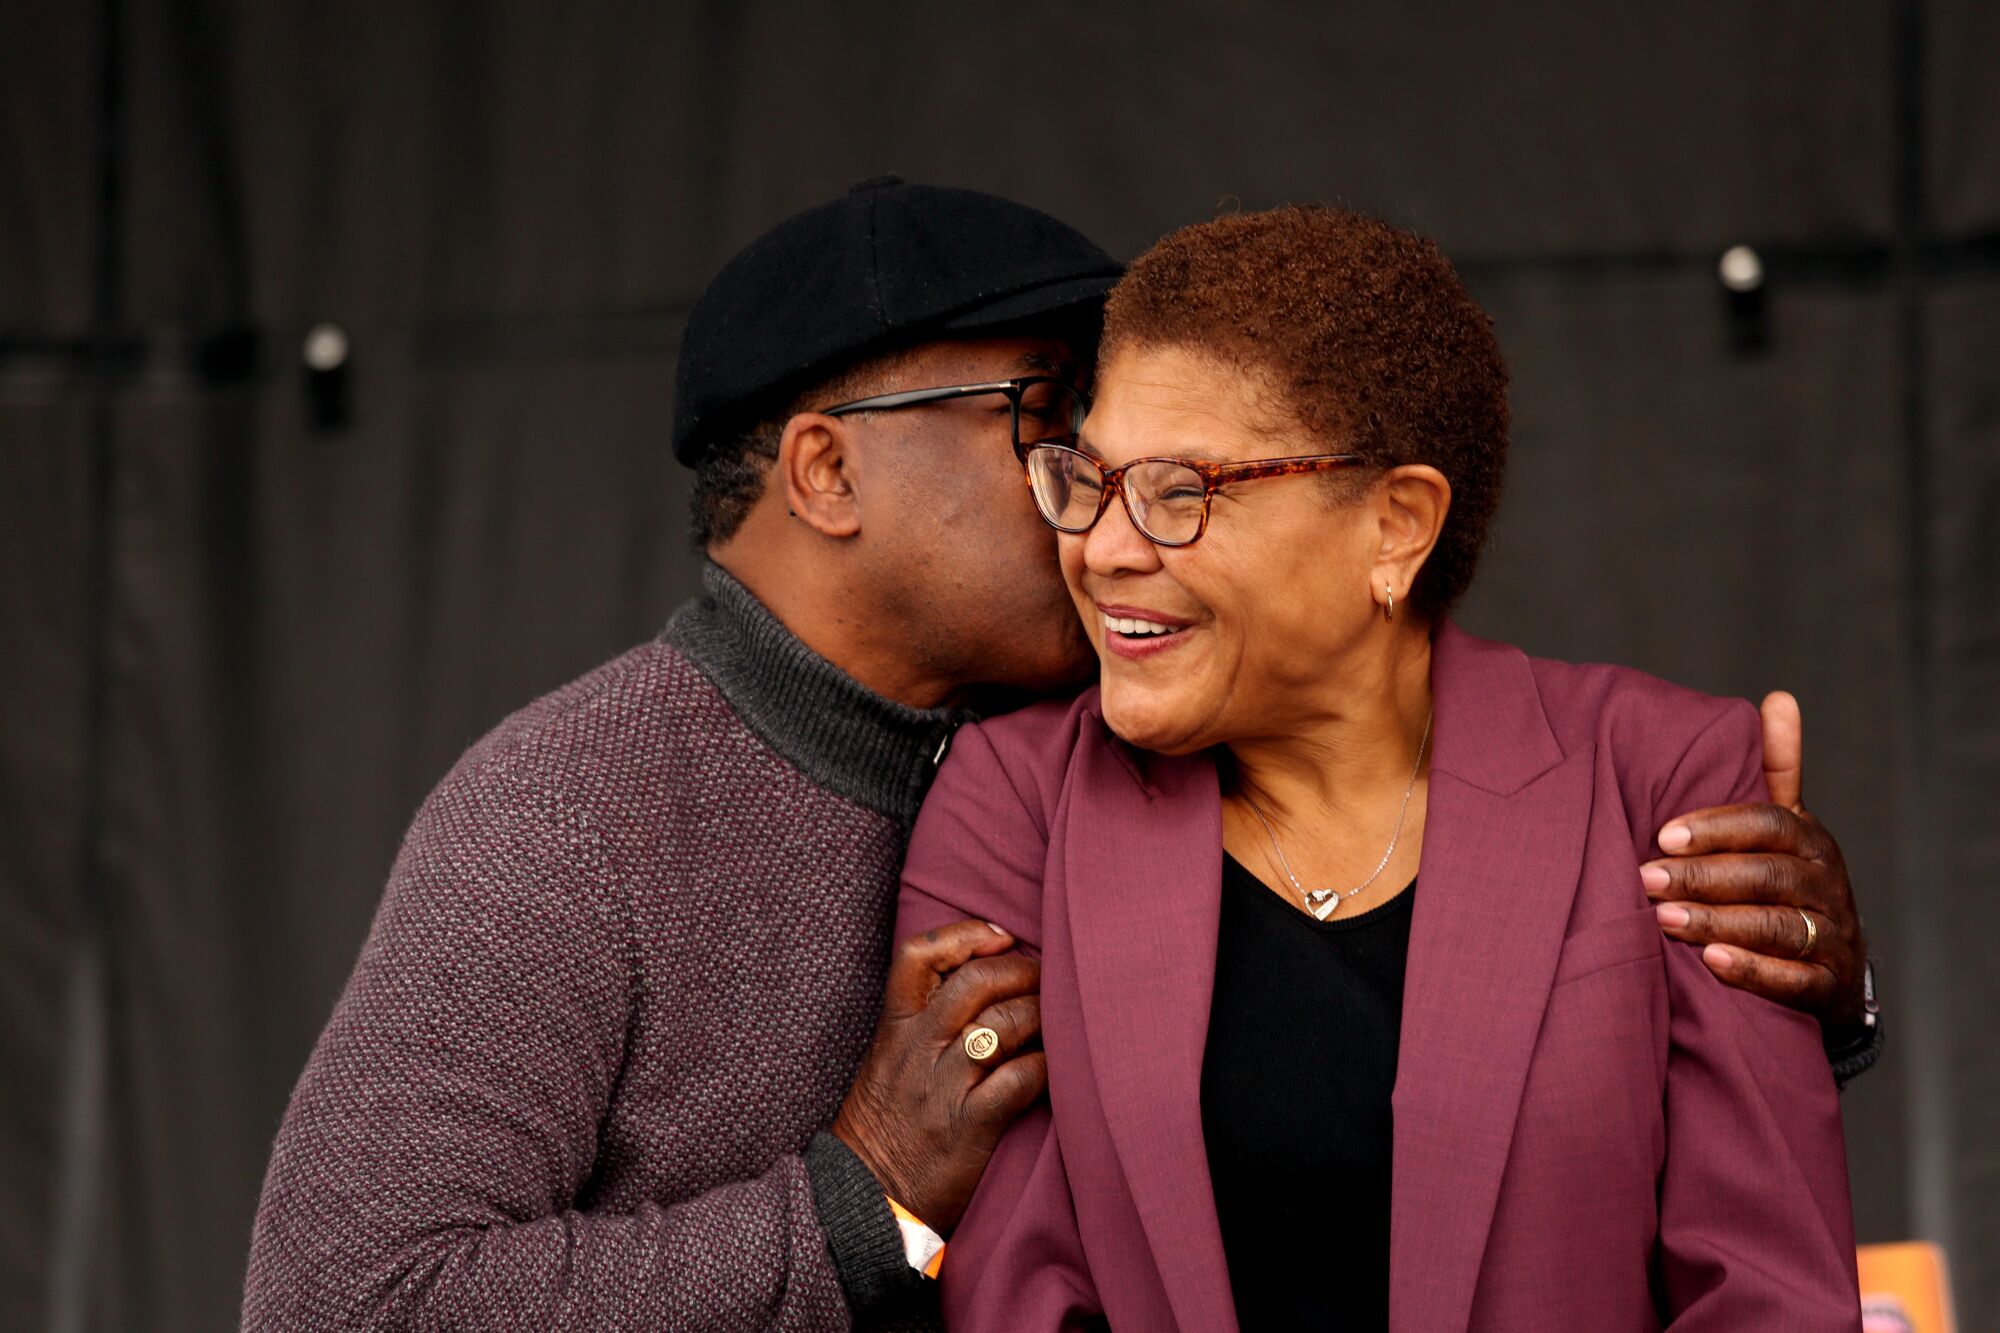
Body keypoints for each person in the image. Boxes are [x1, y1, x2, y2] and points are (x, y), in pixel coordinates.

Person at [244, 181, 1875, 1331]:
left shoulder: (1071, 753)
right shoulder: (579, 804)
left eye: (1155, 473)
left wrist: (1781, 985)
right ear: (825, 469)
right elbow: (345, 1302)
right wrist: (860, 1200)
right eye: (1051, 435)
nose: (1099, 525)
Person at [896, 206, 1863, 1329]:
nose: (1105, 547)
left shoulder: (1658, 776)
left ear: (1394, 527)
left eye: (1178, 493)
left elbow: (1766, 1293)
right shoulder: (1017, 803)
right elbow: (1015, 1295)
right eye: (1089, 480)